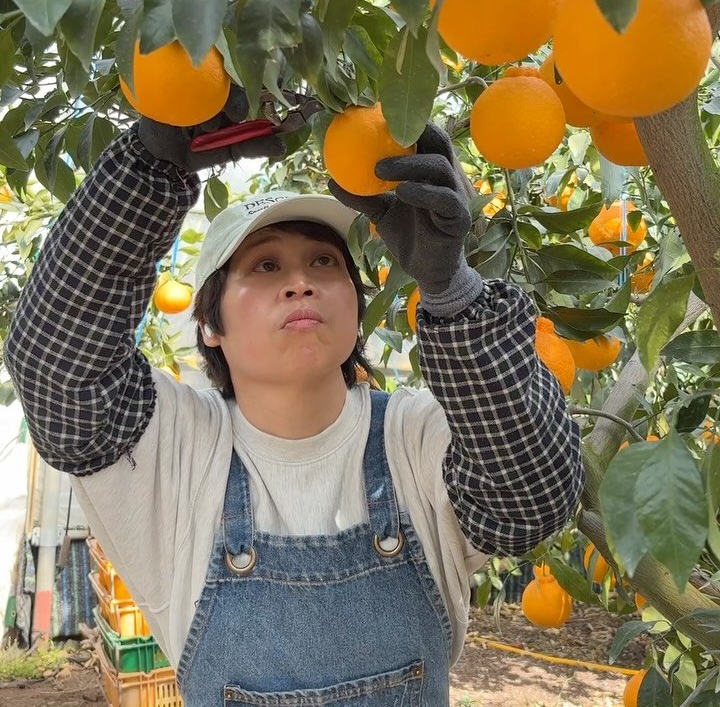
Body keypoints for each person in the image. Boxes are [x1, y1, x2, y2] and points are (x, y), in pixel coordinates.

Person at [4, 83, 584, 706]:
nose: (301, 282)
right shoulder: (175, 452)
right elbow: (57, 368)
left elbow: (531, 499)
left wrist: (453, 291)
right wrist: (144, 173)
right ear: (209, 324)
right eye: (266, 266)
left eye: (325, 263)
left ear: (357, 308)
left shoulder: (414, 434)